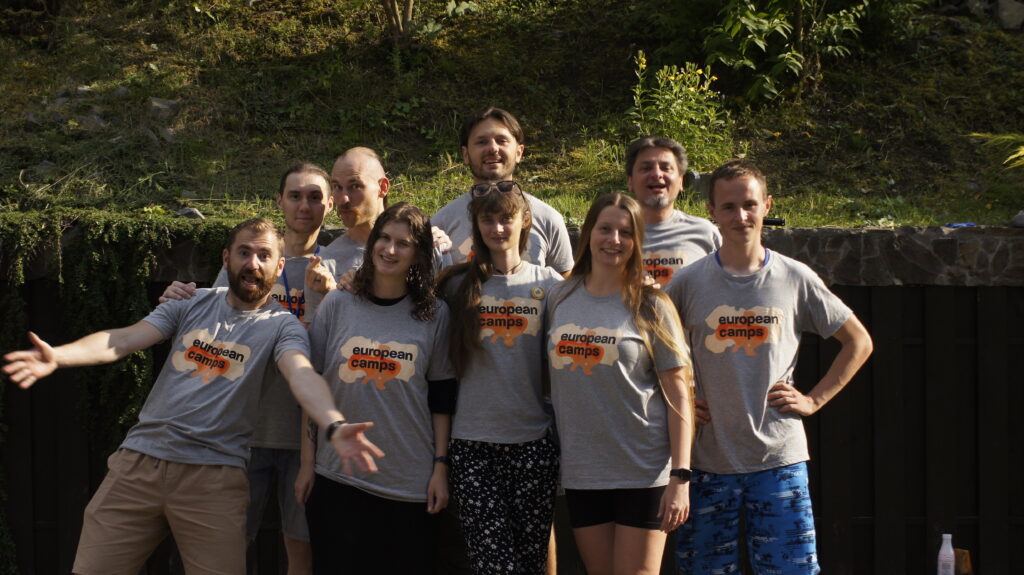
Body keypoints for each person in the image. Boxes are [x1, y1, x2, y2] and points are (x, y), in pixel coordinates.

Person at [2, 218, 383, 575]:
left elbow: (301, 374)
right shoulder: (191, 302)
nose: (253, 263)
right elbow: (124, 338)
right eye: (244, 252)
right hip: (138, 465)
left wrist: (333, 424)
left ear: (279, 265)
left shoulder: (283, 327)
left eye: (264, 255)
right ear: (226, 258)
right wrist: (59, 356)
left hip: (214, 478)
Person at [664, 159, 873, 574]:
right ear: (712, 211)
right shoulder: (688, 282)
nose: (740, 216)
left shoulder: (794, 277)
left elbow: (859, 341)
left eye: (749, 204)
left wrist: (814, 400)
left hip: (779, 461)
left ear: (767, 205)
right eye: (728, 207)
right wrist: (680, 399)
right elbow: (649, 350)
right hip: (706, 463)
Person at [159, 163, 334, 574]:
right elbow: (214, 334)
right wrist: (176, 298)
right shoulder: (250, 259)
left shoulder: (339, 264)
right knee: (228, 546)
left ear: (330, 204)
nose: (304, 206)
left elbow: (332, 355)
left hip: (306, 440)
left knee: (301, 549)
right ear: (279, 201)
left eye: (314, 197)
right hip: (242, 434)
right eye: (295, 196)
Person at [300, 202, 457, 575]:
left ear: (419, 253)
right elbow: (312, 386)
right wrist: (307, 465)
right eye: (383, 238)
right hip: (337, 476)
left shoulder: (435, 314)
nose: (390, 249)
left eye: (403, 243)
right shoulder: (337, 303)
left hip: (408, 482)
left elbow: (441, 399)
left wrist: (440, 468)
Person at [546, 192, 694, 575]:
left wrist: (681, 476)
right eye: (605, 229)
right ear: (588, 233)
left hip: (643, 469)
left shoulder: (652, 304)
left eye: (625, 232)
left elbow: (679, 395)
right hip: (583, 471)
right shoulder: (559, 296)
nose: (614, 240)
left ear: (637, 240)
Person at [437, 181, 562, 574]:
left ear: (524, 221)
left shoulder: (550, 284)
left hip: (533, 443)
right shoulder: (455, 284)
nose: (497, 228)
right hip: (472, 445)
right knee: (494, 565)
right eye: (487, 220)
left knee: (531, 562)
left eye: (505, 218)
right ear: (477, 226)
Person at [432, 106, 574, 275]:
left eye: (502, 140)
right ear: (466, 154)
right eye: (482, 142)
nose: (493, 148)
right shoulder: (442, 223)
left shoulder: (547, 219)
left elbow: (565, 284)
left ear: (519, 152)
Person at [625, 136, 720, 286]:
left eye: (666, 168)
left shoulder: (705, 233)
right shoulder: (611, 235)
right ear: (630, 181)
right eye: (646, 168)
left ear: (681, 181)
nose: (657, 174)